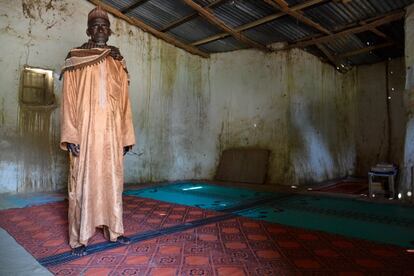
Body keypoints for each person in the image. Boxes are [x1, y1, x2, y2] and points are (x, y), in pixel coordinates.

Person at [60, 6, 135, 256]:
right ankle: (80, 238)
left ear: (110, 32)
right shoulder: (75, 58)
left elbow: (124, 101)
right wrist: (70, 134)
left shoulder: (117, 62)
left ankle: (115, 231)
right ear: (88, 30)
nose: (101, 29)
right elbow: (68, 99)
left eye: (105, 26)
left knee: (112, 182)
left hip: (112, 135)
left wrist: (125, 136)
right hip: (86, 133)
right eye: (96, 26)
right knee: (82, 184)